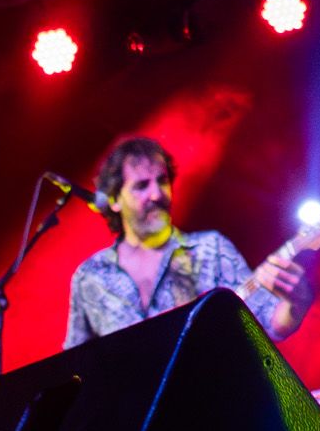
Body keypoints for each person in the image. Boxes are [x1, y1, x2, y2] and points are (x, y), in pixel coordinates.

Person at [62, 135, 303, 346]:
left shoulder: (211, 249)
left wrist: (297, 301)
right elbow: (75, 366)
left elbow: (270, 320)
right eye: (141, 186)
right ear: (114, 200)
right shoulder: (91, 276)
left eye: (162, 181)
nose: (156, 194)